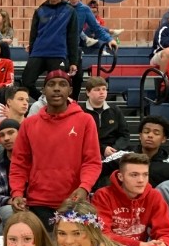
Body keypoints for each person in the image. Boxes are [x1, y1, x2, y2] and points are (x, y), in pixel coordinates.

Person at [10, 70, 101, 227]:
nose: (57, 88)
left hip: (75, 202)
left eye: (62, 84)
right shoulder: (28, 124)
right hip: (38, 202)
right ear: (44, 91)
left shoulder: (85, 120)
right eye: (51, 85)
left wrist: (84, 187)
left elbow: (92, 161)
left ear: (70, 91)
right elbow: (19, 163)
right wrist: (17, 192)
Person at [21, 0, 79, 100]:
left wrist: (73, 61)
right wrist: (31, 55)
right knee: (26, 82)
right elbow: (33, 35)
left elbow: (72, 37)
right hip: (38, 53)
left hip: (58, 54)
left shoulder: (70, 11)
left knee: (57, 86)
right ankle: (44, 101)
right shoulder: (40, 10)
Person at [100, 115, 169, 189]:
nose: (150, 135)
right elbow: (95, 169)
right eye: (146, 132)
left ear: (164, 139)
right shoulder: (123, 156)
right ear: (140, 136)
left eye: (156, 133)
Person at [66, 0, 118, 97]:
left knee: (78, 78)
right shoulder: (62, 6)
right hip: (60, 47)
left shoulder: (84, 9)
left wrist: (109, 39)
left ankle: (74, 102)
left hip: (75, 48)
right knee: (62, 77)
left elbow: (97, 28)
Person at [81, 76, 130, 159]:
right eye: (97, 89)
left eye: (104, 89)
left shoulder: (115, 110)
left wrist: (115, 149)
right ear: (88, 93)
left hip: (115, 152)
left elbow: (124, 135)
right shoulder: (81, 111)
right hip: (89, 152)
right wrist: (103, 149)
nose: (102, 92)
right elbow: (81, 138)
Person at [0, 119, 20, 231]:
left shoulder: (35, 159)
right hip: (6, 207)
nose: (6, 138)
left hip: (31, 204)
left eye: (11, 133)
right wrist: (9, 200)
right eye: (2, 135)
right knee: (10, 211)